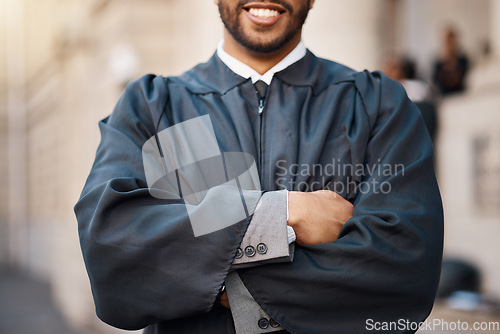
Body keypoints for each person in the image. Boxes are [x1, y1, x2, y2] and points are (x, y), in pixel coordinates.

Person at [74, 1, 444, 333]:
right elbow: (113, 248)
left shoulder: (376, 104)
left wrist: (211, 277)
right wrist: (281, 213)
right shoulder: (154, 108)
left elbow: (404, 268)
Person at [432, 27, 469, 96]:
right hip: (444, 98)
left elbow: (462, 78)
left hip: (461, 97)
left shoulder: (463, 60)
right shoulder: (438, 63)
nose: (450, 44)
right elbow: (436, 81)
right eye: (448, 41)